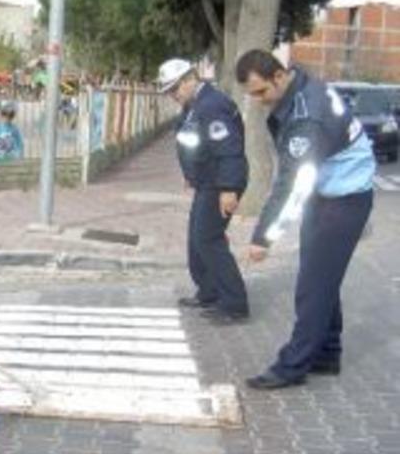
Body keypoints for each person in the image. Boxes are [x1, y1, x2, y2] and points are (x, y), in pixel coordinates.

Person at [235, 49, 376, 389]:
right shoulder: (301, 82)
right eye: (251, 94)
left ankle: (292, 366)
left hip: (343, 199)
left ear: (279, 77)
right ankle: (327, 352)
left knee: (312, 286)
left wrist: (263, 237)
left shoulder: (306, 119)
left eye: (261, 92)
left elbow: (292, 187)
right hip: (334, 192)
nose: (257, 101)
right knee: (322, 277)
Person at [157, 58, 250, 325]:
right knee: (196, 239)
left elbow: (229, 148)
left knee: (209, 240)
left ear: (190, 79)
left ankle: (235, 304)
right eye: (168, 91)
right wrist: (191, 175)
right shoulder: (194, 105)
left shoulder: (212, 104)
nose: (172, 95)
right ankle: (209, 292)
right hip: (206, 181)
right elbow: (195, 142)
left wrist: (229, 189)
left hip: (220, 183)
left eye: (174, 89)